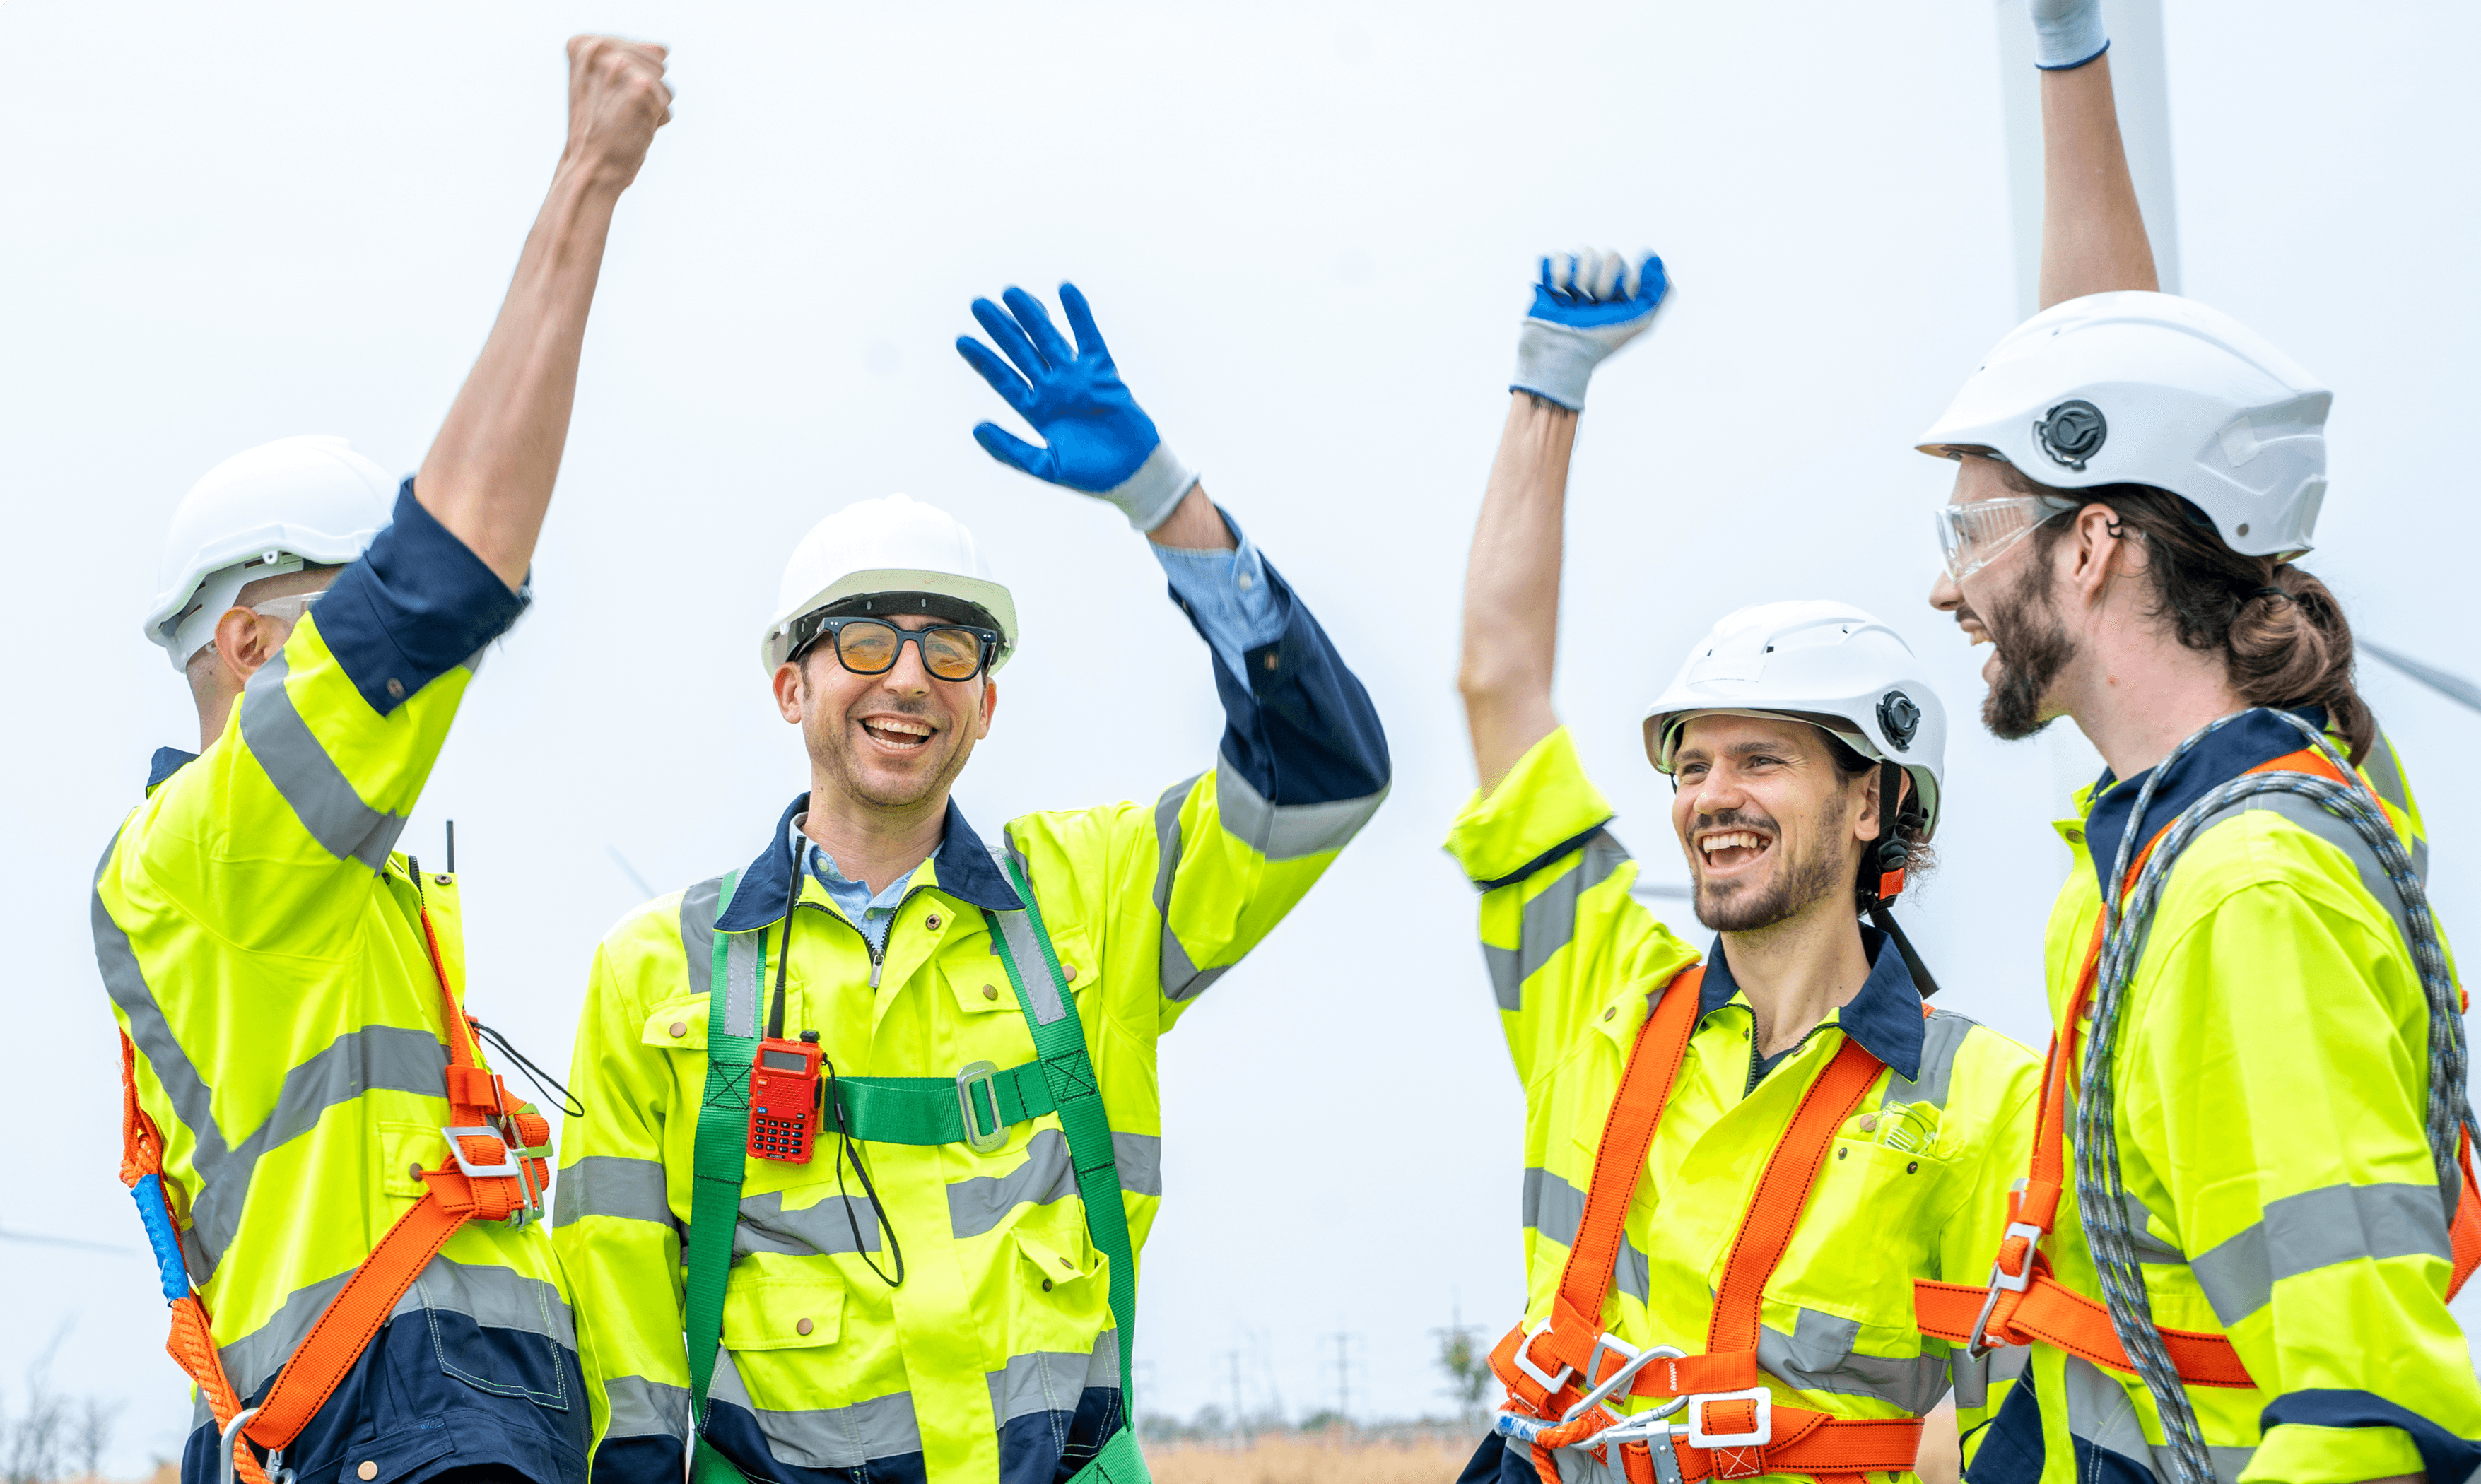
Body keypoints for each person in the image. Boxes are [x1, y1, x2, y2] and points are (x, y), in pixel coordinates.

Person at [552, 281, 1391, 1484]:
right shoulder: (656, 972)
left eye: (951, 650)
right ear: (790, 685)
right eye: (862, 641)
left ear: (987, 705)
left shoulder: (1095, 896)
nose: (909, 679)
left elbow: (1323, 775)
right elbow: (618, 1349)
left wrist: (1164, 501)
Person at [1911, 4, 2481, 1483]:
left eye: (1972, 531)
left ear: (2098, 545)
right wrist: (2067, 61)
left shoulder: (2247, 896)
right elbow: (2109, 371)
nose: (1945, 586)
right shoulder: (2218, 811)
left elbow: (2378, 1420)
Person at [94, 37, 672, 1484]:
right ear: (244, 640)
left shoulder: (317, 892)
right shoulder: (224, 855)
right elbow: (450, 568)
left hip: (418, 1422)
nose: (387, 666)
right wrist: (585, 187)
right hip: (391, 1421)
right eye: (333, 614)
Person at [1448, 249, 2041, 1484]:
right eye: (1690, 765)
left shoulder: (1986, 1104)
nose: (1710, 796)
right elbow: (1498, 681)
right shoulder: (1598, 1004)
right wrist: (1547, 384)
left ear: (1871, 798)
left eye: (1760, 760)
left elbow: (2024, 1442)